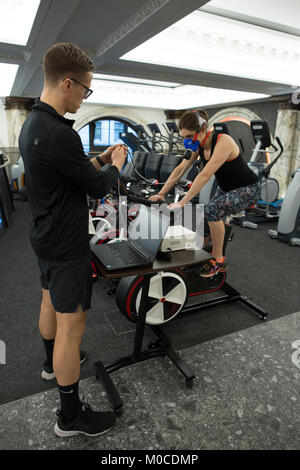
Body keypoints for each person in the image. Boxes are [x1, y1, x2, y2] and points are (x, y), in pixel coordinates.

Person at [19, 42, 127, 437]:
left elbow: (72, 172)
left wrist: (99, 159)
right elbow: (97, 188)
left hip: (44, 236)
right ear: (68, 83)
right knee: (72, 326)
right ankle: (70, 415)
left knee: (49, 299)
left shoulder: (34, 123)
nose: (85, 96)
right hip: (66, 245)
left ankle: (51, 365)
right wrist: (115, 166)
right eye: (85, 89)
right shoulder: (60, 133)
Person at [149, 110, 260, 277]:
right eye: (184, 137)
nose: (187, 141)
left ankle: (218, 261)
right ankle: (202, 251)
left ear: (203, 130)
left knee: (212, 211)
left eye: (189, 136)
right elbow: (180, 169)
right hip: (227, 188)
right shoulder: (198, 146)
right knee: (204, 216)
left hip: (248, 189)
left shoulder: (224, 141)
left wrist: (182, 202)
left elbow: (205, 175)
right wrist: (162, 193)